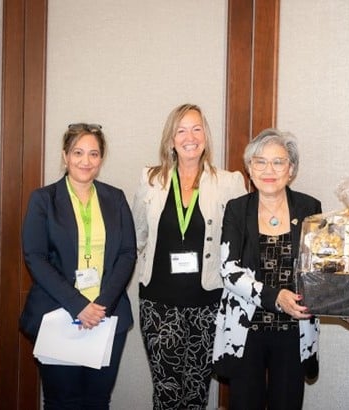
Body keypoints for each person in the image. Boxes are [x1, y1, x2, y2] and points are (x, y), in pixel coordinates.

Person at [132, 103, 247, 410]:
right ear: (171, 139)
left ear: (205, 137)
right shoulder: (151, 180)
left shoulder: (229, 182)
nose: (190, 137)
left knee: (196, 393)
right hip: (158, 304)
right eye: (181, 130)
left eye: (197, 129)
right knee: (166, 392)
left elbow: (239, 243)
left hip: (207, 303)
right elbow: (138, 235)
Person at [19, 123, 137, 409]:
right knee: (62, 401)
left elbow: (127, 253)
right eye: (78, 152)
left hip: (106, 316)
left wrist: (101, 305)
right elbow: (35, 256)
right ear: (65, 156)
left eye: (94, 154)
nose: (86, 161)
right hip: (58, 314)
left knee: (98, 400)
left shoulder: (115, 198)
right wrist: (78, 304)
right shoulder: (43, 199)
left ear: (101, 158)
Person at [212, 128, 322, 410]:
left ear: (291, 168)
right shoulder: (237, 209)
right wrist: (277, 297)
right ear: (249, 168)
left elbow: (321, 268)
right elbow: (230, 271)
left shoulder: (310, 208)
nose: (268, 169)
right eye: (260, 161)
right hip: (246, 329)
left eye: (278, 161)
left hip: (293, 328)